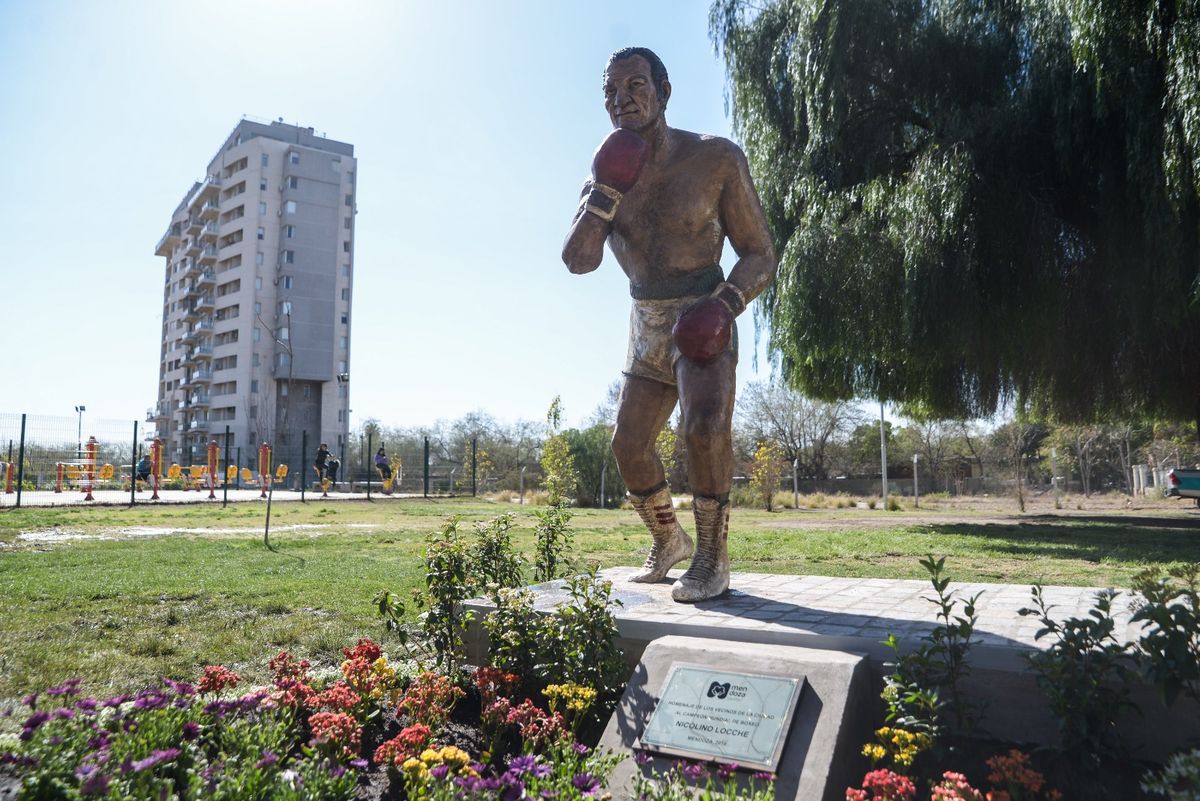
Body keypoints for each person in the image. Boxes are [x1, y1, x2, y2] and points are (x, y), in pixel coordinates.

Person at [561, 47, 777, 602]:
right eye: (610, 91)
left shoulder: (716, 158)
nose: (621, 99)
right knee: (628, 445)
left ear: (664, 91)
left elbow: (760, 254)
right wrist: (606, 193)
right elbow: (578, 259)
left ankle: (712, 555)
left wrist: (725, 303)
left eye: (634, 85)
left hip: (704, 306)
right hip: (646, 318)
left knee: (702, 429)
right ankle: (669, 538)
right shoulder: (606, 169)